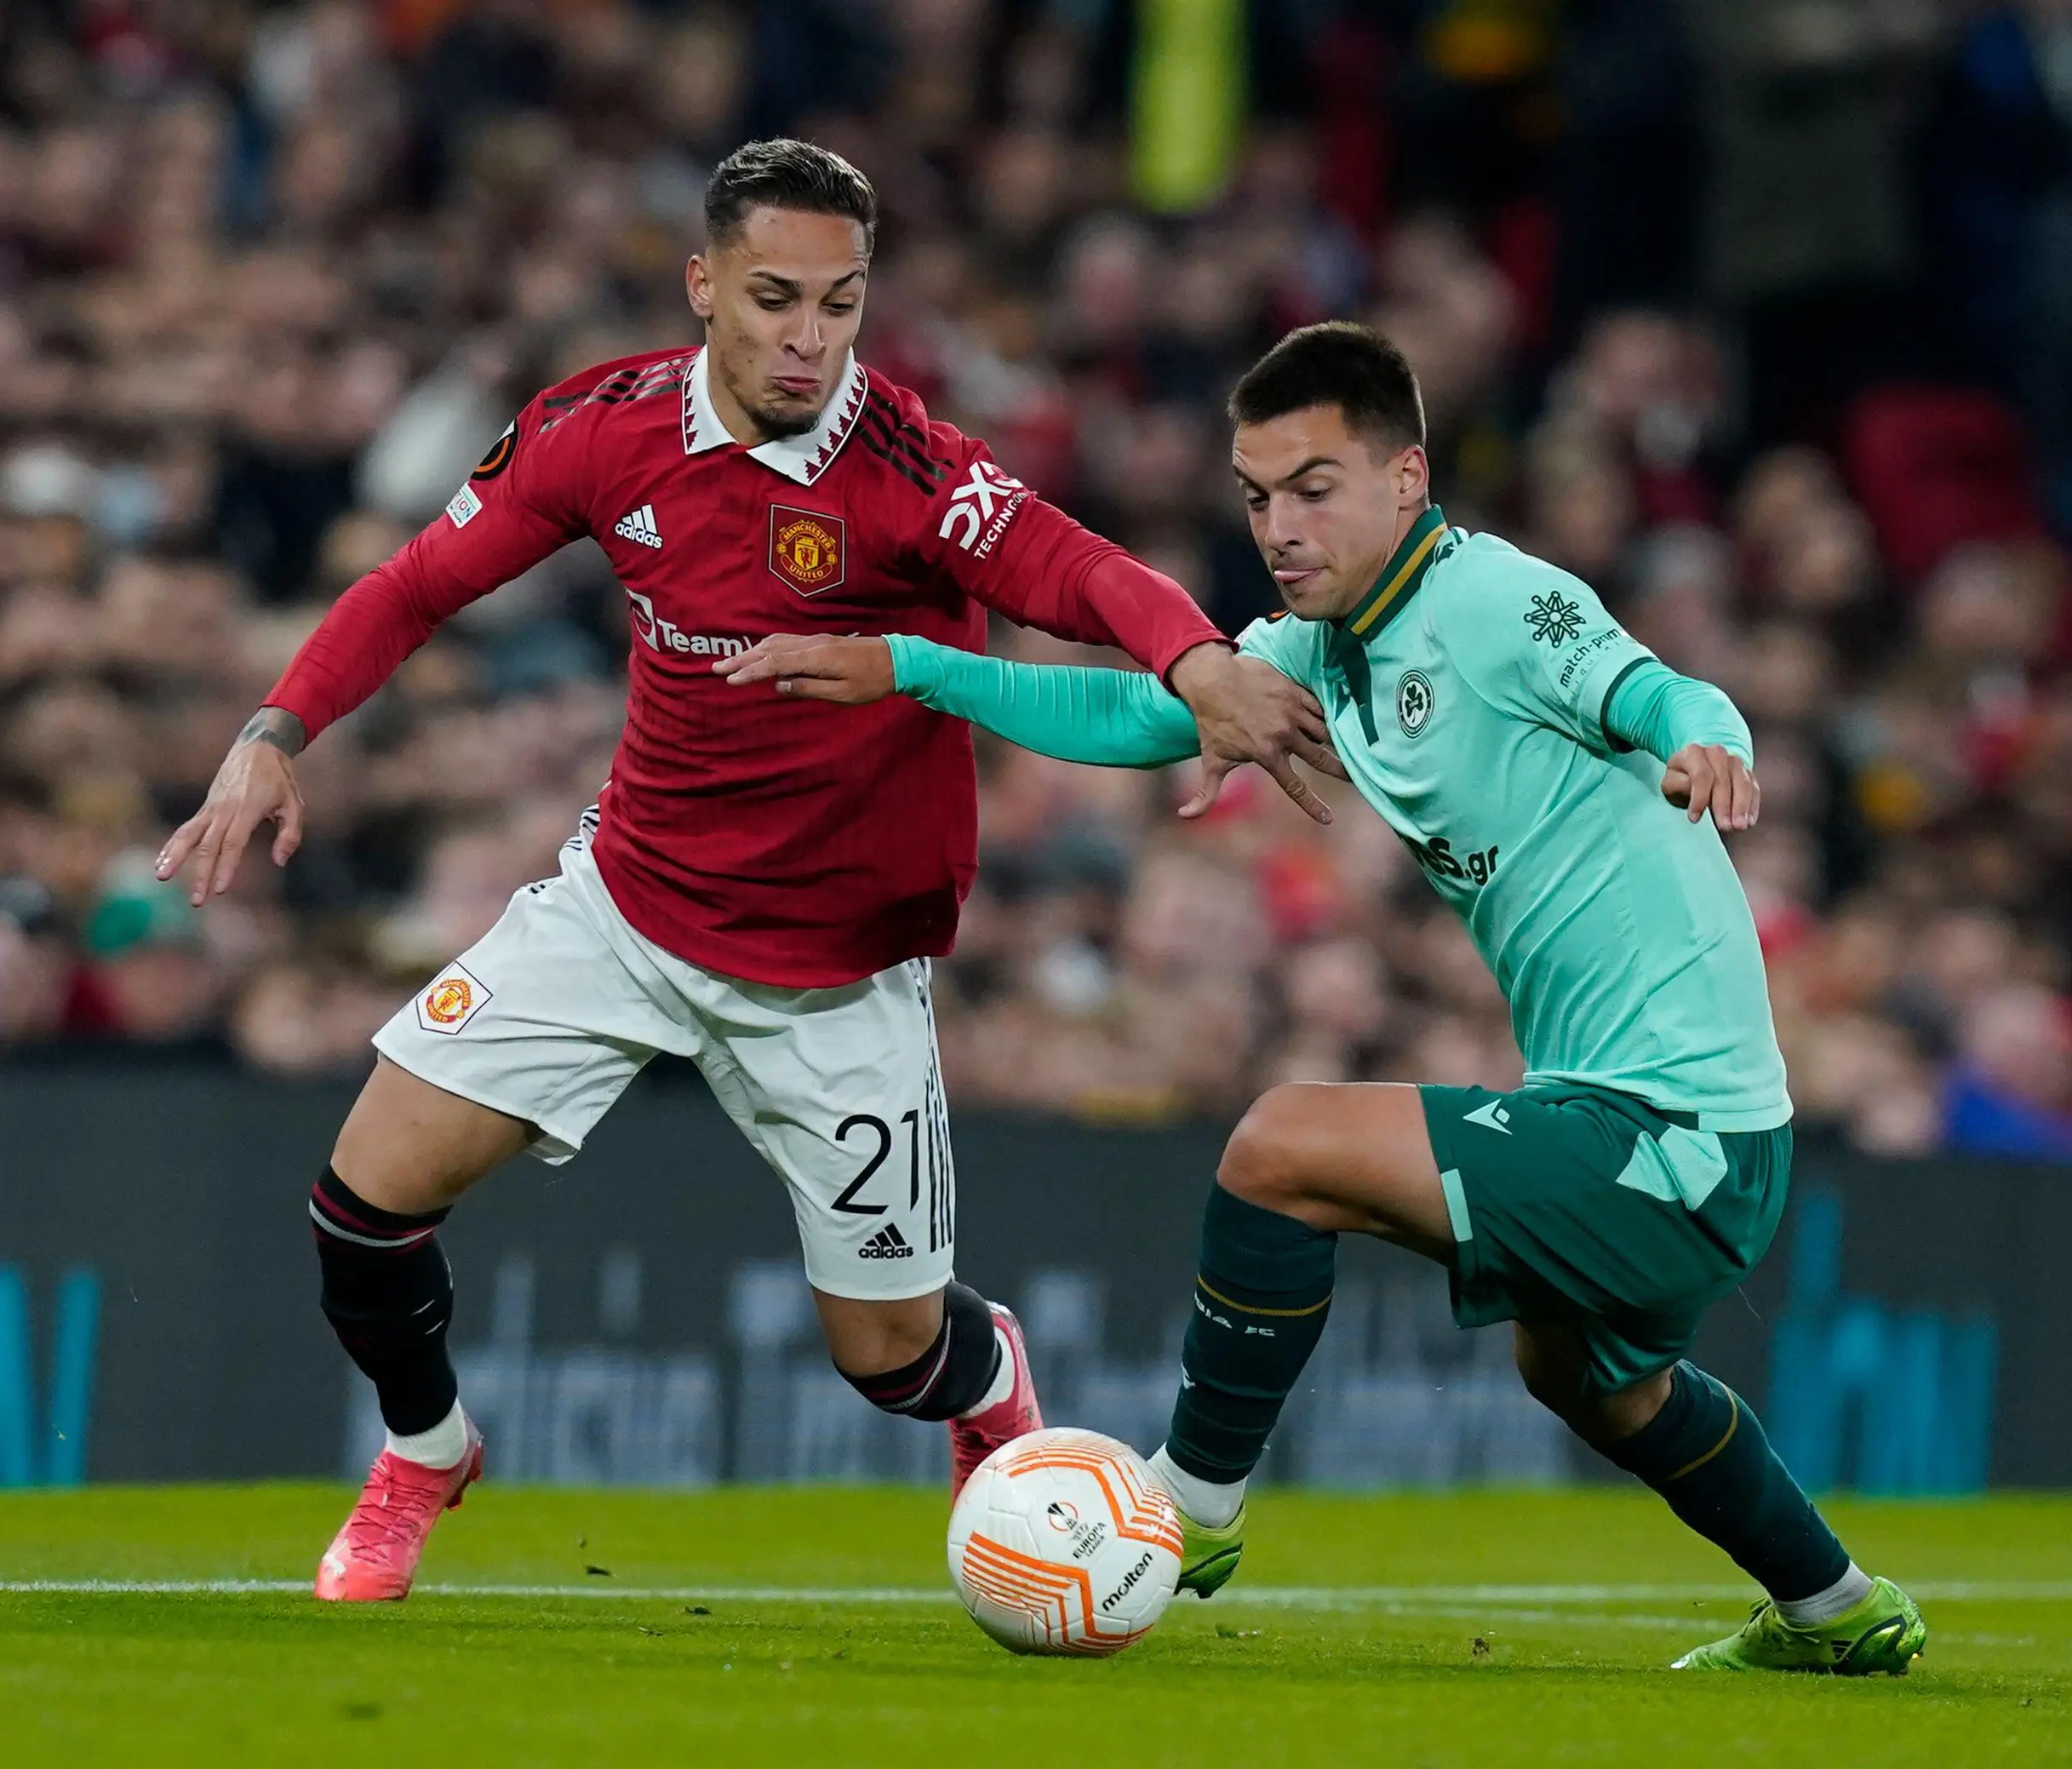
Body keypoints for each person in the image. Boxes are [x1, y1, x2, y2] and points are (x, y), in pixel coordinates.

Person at [154, 140, 1333, 1603]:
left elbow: (1079, 567)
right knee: (356, 1207)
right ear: (703, 285)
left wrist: (1199, 660)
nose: (808, 339)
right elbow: (417, 584)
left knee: (888, 1356)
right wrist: (277, 730)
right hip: (628, 907)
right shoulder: (603, 428)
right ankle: (425, 1453)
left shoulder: (905, 466)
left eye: (840, 305)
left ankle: (991, 1374)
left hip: (835, 973)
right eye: (775, 299)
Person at [719, 321, 1930, 1675]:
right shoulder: (1317, 645)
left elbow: (1658, 687)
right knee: (1590, 1378)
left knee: (1280, 1144)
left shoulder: (1487, 603)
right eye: (1254, 495)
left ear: (1406, 479)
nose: (1277, 527)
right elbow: (1141, 721)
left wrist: (1708, 742)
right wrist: (910, 668)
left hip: (1674, 1128)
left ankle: (1193, 1502)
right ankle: (1834, 1607)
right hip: (1620, 1108)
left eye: (1313, 488)